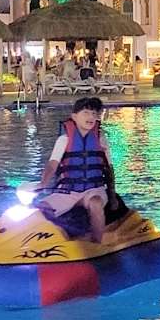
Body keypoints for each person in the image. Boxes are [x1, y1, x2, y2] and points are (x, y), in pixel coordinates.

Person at [37, 97, 116, 244]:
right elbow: (52, 164)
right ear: (74, 116)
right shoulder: (64, 139)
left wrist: (112, 195)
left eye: (94, 113)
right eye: (86, 112)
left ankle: (97, 243)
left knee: (96, 204)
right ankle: (52, 240)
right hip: (68, 191)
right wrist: (43, 183)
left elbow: (109, 168)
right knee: (41, 208)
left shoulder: (101, 139)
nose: (91, 117)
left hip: (94, 190)